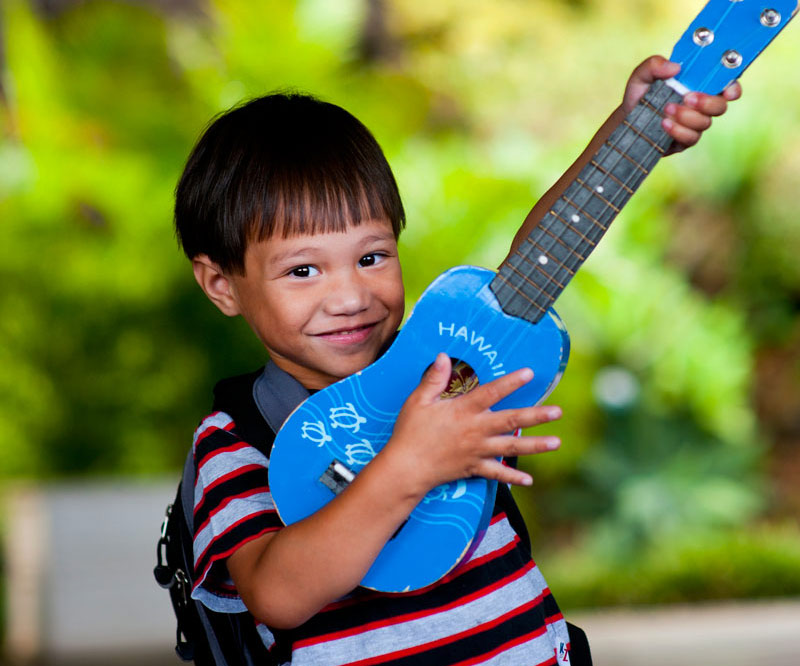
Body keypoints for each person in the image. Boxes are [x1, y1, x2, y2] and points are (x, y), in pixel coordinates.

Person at [174, 56, 739, 665]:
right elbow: (277, 595)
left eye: (371, 257)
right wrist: (409, 465)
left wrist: (630, 134)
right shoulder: (236, 442)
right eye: (303, 270)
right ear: (222, 285)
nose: (350, 297)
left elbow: (530, 274)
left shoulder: (443, 377)